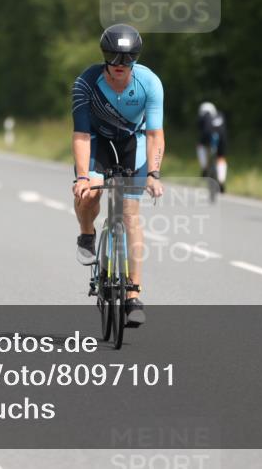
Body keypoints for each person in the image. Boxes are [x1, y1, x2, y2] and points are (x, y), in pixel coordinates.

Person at [72, 23, 164, 328]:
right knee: (91, 193)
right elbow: (82, 135)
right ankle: (87, 233)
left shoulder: (149, 82)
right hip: (96, 141)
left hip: (132, 144)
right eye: (114, 57)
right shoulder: (86, 83)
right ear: (104, 56)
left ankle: (133, 295)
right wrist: (84, 177)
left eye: (128, 58)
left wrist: (153, 173)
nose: (120, 65)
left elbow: (154, 134)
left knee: (129, 213)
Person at [196, 102, 228, 193]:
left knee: (201, 146)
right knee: (221, 157)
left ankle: (204, 167)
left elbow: (200, 128)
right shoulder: (220, 114)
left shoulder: (203, 116)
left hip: (208, 134)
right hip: (222, 136)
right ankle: (221, 181)